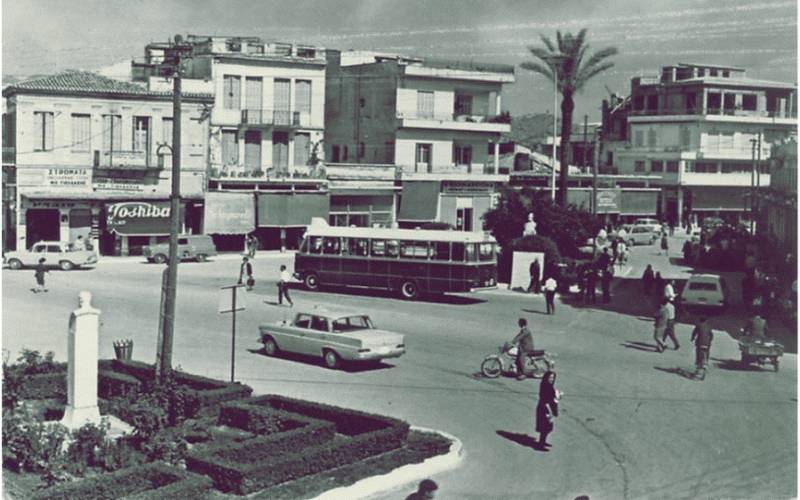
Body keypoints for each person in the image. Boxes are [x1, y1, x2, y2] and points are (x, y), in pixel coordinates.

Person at [535, 371, 559, 447]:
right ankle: (541, 444)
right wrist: (550, 411)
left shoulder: (549, 386)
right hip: (544, 408)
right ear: (546, 378)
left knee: (547, 426)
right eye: (550, 377)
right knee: (545, 427)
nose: (552, 379)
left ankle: (542, 441)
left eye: (553, 377)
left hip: (548, 407)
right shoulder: (545, 386)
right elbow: (545, 401)